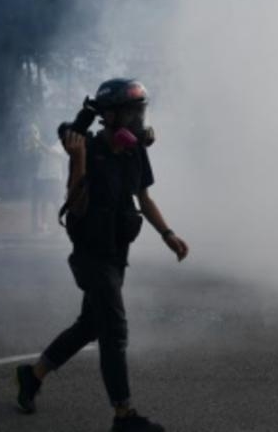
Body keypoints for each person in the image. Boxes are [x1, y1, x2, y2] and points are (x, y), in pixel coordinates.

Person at [15, 79, 189, 432]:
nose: (139, 120)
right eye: (131, 112)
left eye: (141, 111)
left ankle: (32, 376)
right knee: (114, 329)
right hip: (91, 256)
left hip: (116, 253)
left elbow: (144, 198)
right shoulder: (89, 151)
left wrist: (167, 234)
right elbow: (76, 208)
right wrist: (78, 160)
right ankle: (123, 415)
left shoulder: (136, 150)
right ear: (109, 116)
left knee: (90, 325)